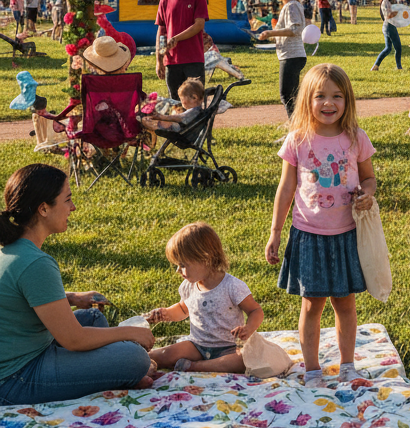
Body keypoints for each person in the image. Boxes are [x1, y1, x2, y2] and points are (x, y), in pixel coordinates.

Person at [0, 164, 154, 405]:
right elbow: (74, 340)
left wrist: (70, 298)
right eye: (67, 200)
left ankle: (109, 375)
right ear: (43, 209)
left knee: (92, 318)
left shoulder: (13, 251)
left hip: (26, 350)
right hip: (16, 379)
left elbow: (23, 298)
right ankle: (118, 374)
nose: (73, 207)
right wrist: (132, 333)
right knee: (135, 358)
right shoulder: (36, 263)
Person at [266, 63, 377, 388]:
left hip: (345, 236)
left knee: (345, 304)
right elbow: (286, 189)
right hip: (308, 236)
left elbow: (369, 179)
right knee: (311, 305)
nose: (329, 103)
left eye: (337, 96)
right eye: (321, 96)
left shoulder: (356, 137)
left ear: (348, 100)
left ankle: (347, 366)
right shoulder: (298, 140)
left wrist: (367, 195)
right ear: (307, 100)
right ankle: (312, 369)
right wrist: (275, 232)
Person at [146, 222, 264, 373]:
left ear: (205, 259)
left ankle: (196, 367)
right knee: (163, 354)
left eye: (182, 265)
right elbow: (183, 309)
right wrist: (166, 313)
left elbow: (255, 311)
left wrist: (248, 328)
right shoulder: (188, 285)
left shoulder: (232, 286)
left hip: (228, 347)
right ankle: (141, 362)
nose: (178, 270)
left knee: (243, 361)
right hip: (196, 345)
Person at [156, 0, 209, 99]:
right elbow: (161, 33)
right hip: (171, 62)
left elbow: (199, 25)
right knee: (175, 103)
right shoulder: (164, 1)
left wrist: (176, 38)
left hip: (193, 59)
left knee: (194, 101)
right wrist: (159, 60)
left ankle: (198, 122)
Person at [257, 0, 307, 117]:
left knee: (287, 95)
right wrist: (270, 36)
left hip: (292, 56)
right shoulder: (290, 6)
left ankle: (296, 130)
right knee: (291, 96)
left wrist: (272, 33)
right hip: (291, 55)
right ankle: (298, 128)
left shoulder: (291, 6)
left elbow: (296, 29)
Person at [142, 78, 206, 133]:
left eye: (182, 99)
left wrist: (160, 117)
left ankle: (151, 127)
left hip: (179, 132)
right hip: (181, 128)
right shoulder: (198, 109)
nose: (181, 102)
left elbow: (180, 118)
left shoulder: (194, 111)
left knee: (146, 121)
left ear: (194, 97)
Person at [371, 0, 403, 72]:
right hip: (389, 26)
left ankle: (375, 66)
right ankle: (399, 67)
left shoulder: (389, 1)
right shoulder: (385, 1)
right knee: (398, 48)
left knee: (388, 48)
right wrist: (398, 12)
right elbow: (388, 15)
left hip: (389, 26)